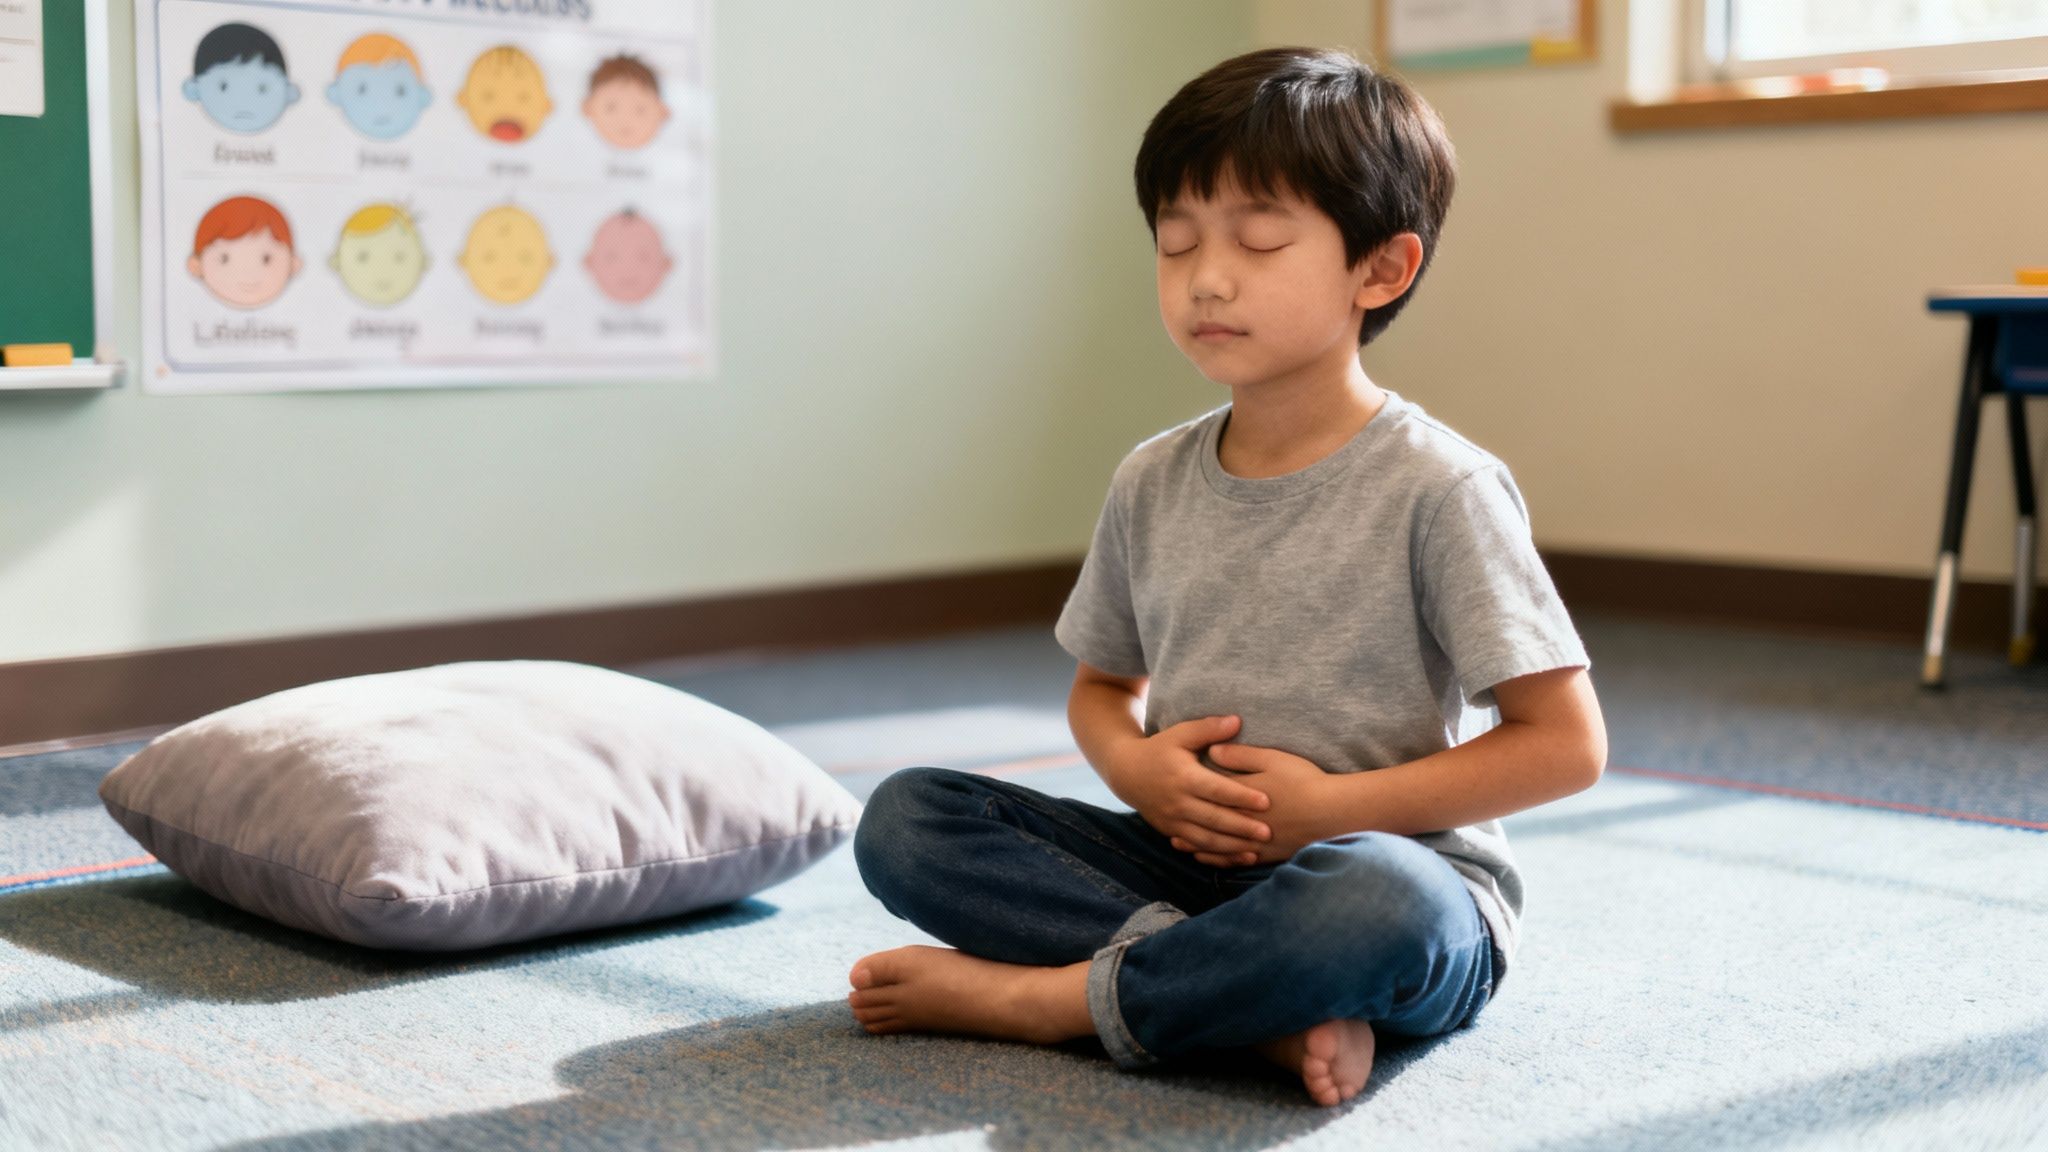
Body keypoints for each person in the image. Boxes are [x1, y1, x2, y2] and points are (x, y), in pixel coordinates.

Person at [847, 46, 1607, 1109]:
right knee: (905, 820)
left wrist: (1331, 810)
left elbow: (1566, 747)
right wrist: (1135, 772)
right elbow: (1103, 691)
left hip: (1385, 875)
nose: (1205, 276)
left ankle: (1048, 1002)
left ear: (1378, 271)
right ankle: (1240, 1004)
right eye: (1174, 243)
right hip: (1187, 870)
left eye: (1256, 240)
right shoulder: (1150, 477)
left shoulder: (1441, 487)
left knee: (1371, 906)